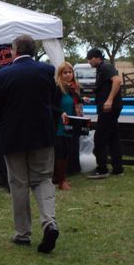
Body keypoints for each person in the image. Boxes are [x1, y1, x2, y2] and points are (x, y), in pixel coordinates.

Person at [0, 35, 59, 254]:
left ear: (14, 51)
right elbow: (53, 102)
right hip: (43, 135)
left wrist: (8, 116)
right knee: (43, 179)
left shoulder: (2, 75)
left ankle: (23, 233)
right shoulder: (46, 71)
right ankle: (49, 222)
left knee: (19, 184)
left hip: (14, 137)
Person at [86, 48, 124, 178]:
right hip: (109, 107)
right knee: (113, 138)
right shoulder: (101, 70)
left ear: (97, 57)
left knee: (99, 138)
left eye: (89, 59)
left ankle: (102, 169)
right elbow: (103, 88)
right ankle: (118, 168)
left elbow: (117, 81)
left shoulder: (106, 67)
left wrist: (109, 100)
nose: (89, 62)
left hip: (109, 108)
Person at [53, 62, 83, 190]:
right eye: (65, 72)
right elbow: (51, 105)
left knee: (66, 152)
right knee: (61, 153)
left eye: (70, 72)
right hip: (59, 126)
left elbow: (74, 103)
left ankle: (59, 177)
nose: (68, 74)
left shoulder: (72, 89)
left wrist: (82, 100)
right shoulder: (57, 88)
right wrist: (61, 112)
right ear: (60, 74)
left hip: (69, 124)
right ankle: (61, 180)